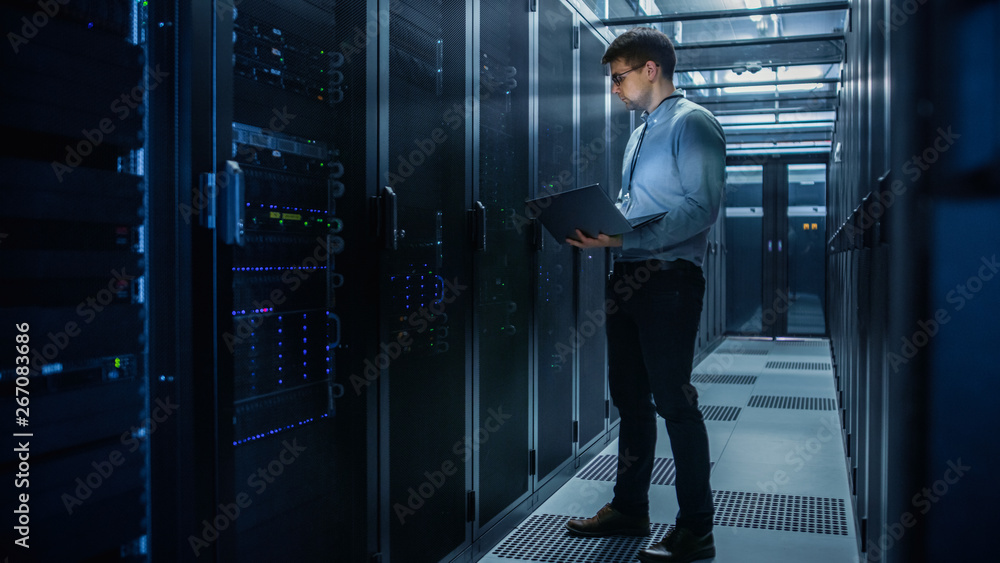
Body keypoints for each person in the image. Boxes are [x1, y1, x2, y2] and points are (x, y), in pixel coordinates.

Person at [564, 27, 726, 563]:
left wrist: (622, 235)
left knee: (674, 404)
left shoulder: (693, 124)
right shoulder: (639, 134)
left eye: (618, 77)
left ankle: (696, 530)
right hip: (628, 277)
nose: (614, 89)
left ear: (650, 70)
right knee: (631, 404)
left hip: (670, 281)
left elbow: (699, 209)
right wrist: (600, 227)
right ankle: (630, 508)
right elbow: (640, 205)